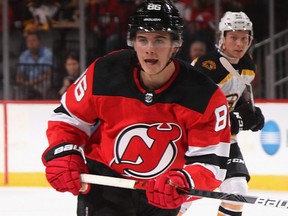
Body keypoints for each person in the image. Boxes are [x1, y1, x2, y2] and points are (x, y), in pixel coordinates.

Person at [41, 1, 231, 215]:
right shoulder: (105, 72)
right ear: (133, 42)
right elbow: (68, 119)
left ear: (175, 44)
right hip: (105, 185)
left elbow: (211, 163)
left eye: (159, 40)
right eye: (143, 39)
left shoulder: (203, 95)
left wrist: (184, 181)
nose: (150, 48)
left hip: (162, 192)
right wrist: (64, 153)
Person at [178, 11, 265, 216]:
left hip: (225, 140)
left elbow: (233, 99)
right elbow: (194, 112)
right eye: (233, 37)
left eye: (244, 38)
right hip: (196, 140)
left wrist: (248, 113)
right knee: (184, 198)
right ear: (222, 38)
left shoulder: (248, 66)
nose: (239, 43)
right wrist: (234, 120)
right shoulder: (206, 67)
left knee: (237, 191)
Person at [15, 31, 53, 99]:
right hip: (28, 84)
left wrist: (32, 82)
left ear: (39, 41)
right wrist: (24, 82)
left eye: (33, 40)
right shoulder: (24, 55)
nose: (31, 43)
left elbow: (48, 74)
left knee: (47, 83)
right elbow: (19, 75)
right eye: (28, 41)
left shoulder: (47, 53)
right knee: (18, 89)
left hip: (42, 82)